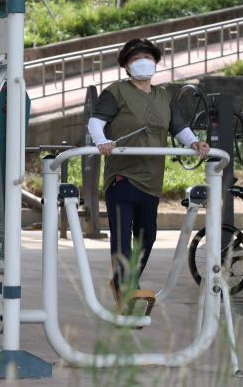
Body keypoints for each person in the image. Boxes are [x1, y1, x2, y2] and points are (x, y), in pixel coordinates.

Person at [88, 38, 210, 304]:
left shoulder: (163, 95)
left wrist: (194, 142)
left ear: (155, 62)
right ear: (126, 66)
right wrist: (102, 141)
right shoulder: (116, 92)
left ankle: (123, 282)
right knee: (121, 238)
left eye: (148, 56)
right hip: (122, 176)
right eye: (135, 58)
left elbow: (179, 127)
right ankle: (128, 292)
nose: (142, 61)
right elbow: (96, 122)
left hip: (152, 180)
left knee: (148, 237)